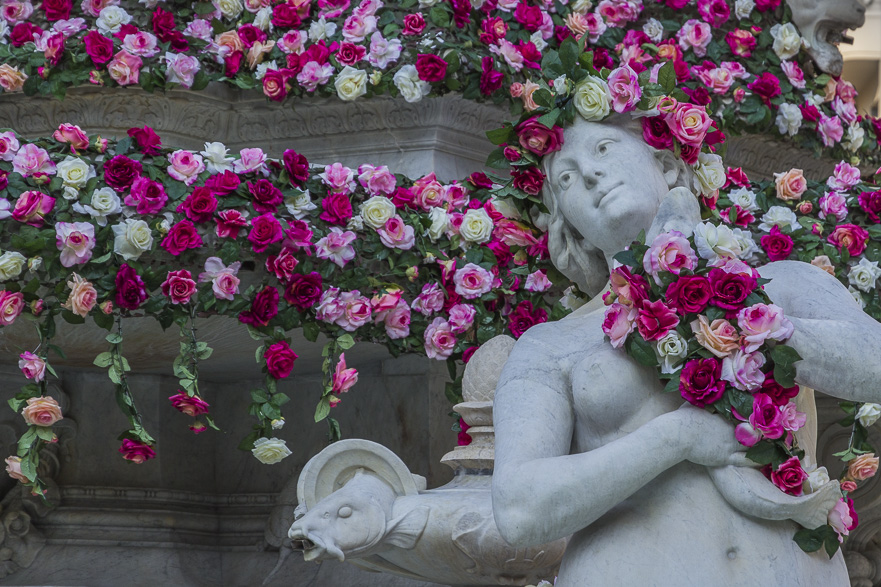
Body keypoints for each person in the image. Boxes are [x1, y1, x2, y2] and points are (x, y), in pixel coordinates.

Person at [490, 115, 879, 585]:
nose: (589, 174)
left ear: (669, 167)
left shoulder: (784, 283)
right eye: (566, 177)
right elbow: (518, 510)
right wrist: (676, 439)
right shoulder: (552, 345)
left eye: (605, 148)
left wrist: (753, 320)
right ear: (566, 222)